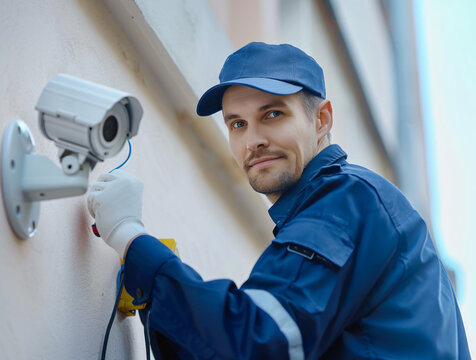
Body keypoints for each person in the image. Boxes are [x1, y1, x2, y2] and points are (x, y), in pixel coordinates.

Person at [87, 42, 470, 359]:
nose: (253, 140)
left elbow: (260, 342)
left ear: (321, 121)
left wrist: (130, 237)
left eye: (272, 114)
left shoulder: (345, 201)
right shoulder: (351, 203)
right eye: (237, 123)